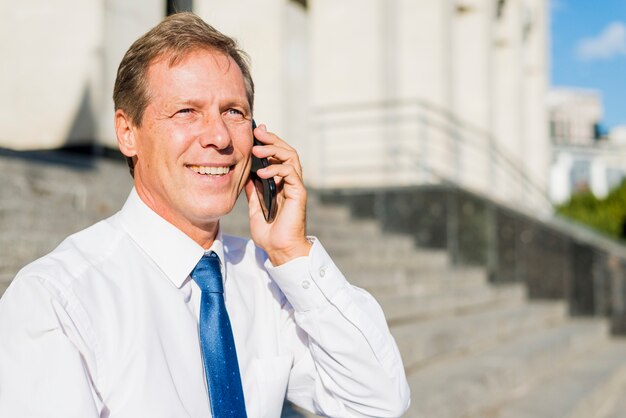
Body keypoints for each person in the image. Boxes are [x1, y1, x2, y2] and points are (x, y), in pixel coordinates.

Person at [0, 12, 410, 418]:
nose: (218, 137)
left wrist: (292, 252)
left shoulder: (266, 278)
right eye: (186, 112)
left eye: (234, 111)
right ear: (127, 133)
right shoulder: (58, 299)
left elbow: (377, 402)